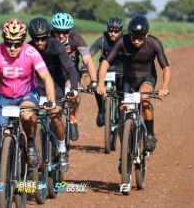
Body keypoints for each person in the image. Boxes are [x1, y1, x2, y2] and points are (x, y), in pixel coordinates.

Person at [0, 18, 56, 168]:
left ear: (23, 41)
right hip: (4, 97)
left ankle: (30, 143)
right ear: (4, 40)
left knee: (28, 114)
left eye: (17, 44)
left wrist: (51, 100)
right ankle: (2, 180)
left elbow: (46, 77)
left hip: (27, 94)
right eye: (9, 43)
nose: (13, 47)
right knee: (0, 138)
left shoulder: (31, 52)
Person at [96, 14, 171, 152]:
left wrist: (164, 87)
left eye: (140, 38)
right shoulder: (122, 41)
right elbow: (106, 62)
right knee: (122, 113)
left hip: (147, 77)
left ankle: (150, 134)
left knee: (144, 98)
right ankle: (124, 154)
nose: (136, 41)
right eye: (133, 37)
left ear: (146, 34)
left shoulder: (154, 43)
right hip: (128, 79)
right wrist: (101, 83)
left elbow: (165, 68)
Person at [28, 17, 80, 172]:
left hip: (56, 84)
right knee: (30, 116)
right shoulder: (29, 48)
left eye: (43, 39)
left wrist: (73, 89)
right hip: (36, 85)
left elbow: (71, 69)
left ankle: (62, 149)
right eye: (36, 39)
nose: (39, 43)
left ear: (48, 36)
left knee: (55, 116)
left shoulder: (56, 45)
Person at [51, 12, 98, 141]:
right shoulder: (48, 36)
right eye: (57, 32)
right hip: (54, 72)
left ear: (69, 31)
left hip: (70, 72)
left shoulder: (76, 38)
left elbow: (87, 60)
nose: (61, 35)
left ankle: (72, 118)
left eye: (65, 32)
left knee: (74, 94)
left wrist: (94, 81)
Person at [89, 16, 124, 127]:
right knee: (96, 86)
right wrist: (84, 66)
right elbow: (90, 54)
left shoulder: (125, 40)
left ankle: (121, 114)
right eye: (110, 30)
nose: (113, 33)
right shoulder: (102, 40)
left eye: (116, 31)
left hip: (121, 70)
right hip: (105, 70)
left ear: (121, 31)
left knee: (122, 93)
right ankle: (101, 110)